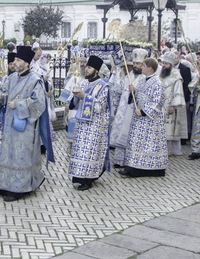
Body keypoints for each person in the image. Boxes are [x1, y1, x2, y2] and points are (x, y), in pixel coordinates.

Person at [0, 46, 53, 201]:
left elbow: (39, 103)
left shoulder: (35, 80)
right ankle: (6, 183)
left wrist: (19, 104)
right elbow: (6, 96)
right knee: (8, 154)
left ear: (26, 63)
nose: (15, 62)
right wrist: (0, 97)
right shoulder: (12, 77)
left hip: (25, 126)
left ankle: (20, 188)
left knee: (21, 156)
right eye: (15, 60)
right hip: (9, 124)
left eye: (18, 60)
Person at [119, 57, 168, 177]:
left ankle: (146, 169)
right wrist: (133, 91)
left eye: (143, 66)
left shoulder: (157, 83)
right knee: (135, 143)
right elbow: (138, 96)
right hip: (139, 117)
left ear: (150, 68)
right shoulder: (142, 80)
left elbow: (158, 102)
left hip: (150, 121)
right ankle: (132, 167)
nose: (141, 67)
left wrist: (144, 112)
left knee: (148, 144)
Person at [68, 55, 111, 190]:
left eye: (90, 67)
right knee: (80, 151)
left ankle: (88, 180)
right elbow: (74, 104)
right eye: (86, 67)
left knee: (90, 153)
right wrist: (74, 97)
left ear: (96, 71)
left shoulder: (103, 86)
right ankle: (78, 176)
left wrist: (84, 96)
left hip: (95, 126)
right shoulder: (83, 83)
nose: (86, 69)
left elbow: (100, 107)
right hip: (81, 125)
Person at [112, 48, 148, 167]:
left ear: (144, 64)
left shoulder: (145, 78)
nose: (135, 66)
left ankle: (129, 162)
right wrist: (116, 106)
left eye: (138, 63)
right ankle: (119, 160)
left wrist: (135, 90)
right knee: (120, 132)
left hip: (134, 111)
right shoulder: (128, 76)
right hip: (123, 109)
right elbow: (117, 91)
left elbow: (146, 96)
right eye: (134, 63)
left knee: (130, 135)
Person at [160, 52, 187, 155]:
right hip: (161, 105)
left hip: (170, 106)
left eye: (166, 64)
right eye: (163, 63)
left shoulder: (176, 76)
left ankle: (168, 150)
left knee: (169, 129)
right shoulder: (161, 74)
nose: (164, 65)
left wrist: (173, 106)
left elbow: (178, 91)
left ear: (171, 65)